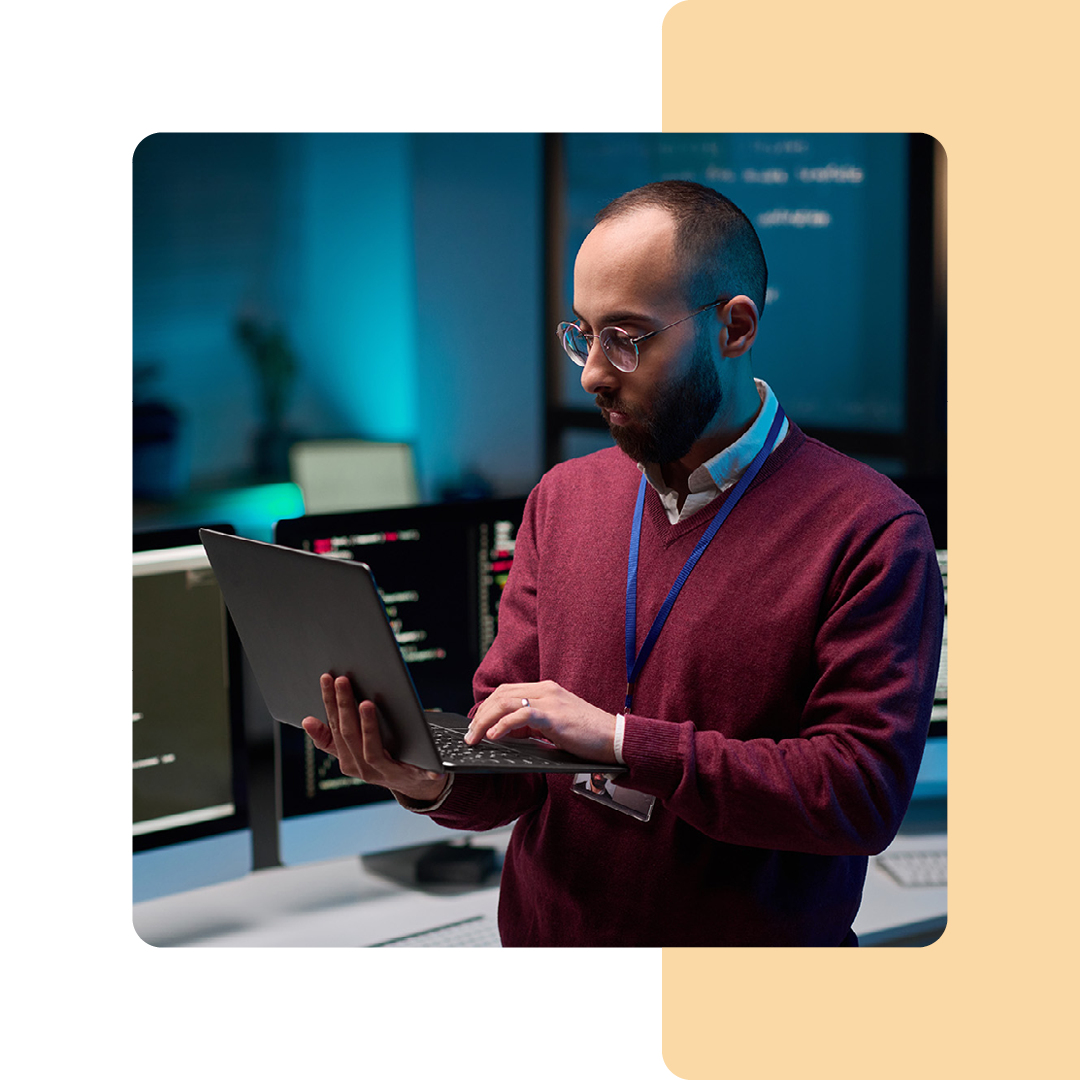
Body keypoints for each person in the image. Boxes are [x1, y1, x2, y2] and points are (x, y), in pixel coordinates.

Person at [303, 180, 945, 947]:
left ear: (735, 327)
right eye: (583, 335)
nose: (593, 374)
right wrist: (427, 780)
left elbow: (857, 797)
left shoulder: (870, 531)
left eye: (628, 338)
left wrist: (618, 741)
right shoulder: (563, 499)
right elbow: (510, 756)